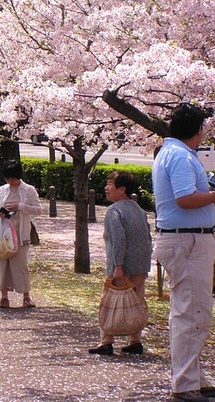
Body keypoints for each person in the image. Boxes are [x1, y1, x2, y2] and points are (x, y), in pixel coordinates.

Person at [152, 103, 215, 402]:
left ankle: (194, 376)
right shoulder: (179, 155)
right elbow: (186, 199)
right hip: (187, 241)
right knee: (192, 312)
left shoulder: (173, 152)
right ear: (199, 129)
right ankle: (186, 383)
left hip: (183, 240)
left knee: (190, 310)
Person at [88, 171, 152, 356]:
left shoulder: (114, 210)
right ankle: (135, 340)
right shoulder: (138, 209)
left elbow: (118, 239)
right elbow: (147, 236)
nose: (106, 188)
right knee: (136, 301)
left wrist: (118, 266)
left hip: (121, 265)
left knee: (109, 300)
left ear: (122, 189)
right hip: (140, 262)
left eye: (110, 185)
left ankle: (106, 341)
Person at [0, 160, 41, 308]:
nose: (10, 181)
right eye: (8, 179)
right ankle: (4, 297)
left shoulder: (28, 190)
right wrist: (1, 213)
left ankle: (26, 296)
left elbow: (38, 209)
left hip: (20, 233)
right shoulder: (2, 190)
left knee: (21, 266)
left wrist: (20, 207)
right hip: (3, 234)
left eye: (13, 178)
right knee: (1, 265)